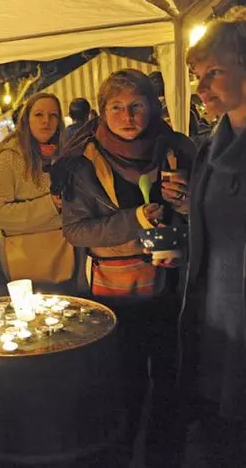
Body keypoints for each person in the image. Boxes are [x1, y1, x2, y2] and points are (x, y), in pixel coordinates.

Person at [52, 69, 195, 465]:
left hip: (172, 288)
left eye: (136, 105)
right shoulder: (81, 164)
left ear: (152, 107)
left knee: (170, 379)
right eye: (116, 107)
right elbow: (76, 231)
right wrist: (136, 219)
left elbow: (211, 212)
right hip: (114, 295)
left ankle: (164, 455)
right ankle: (119, 452)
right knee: (123, 383)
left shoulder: (178, 149)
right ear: (101, 112)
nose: (127, 115)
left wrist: (185, 202)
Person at [178, 6, 246, 467]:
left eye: (213, 73)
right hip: (213, 320)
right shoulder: (210, 147)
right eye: (198, 76)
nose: (200, 88)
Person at [0, 93, 74, 292]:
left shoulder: (66, 155)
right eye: (39, 114)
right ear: (27, 120)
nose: (46, 121)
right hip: (25, 259)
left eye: (53, 115)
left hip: (65, 254)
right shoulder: (10, 157)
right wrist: (49, 205)